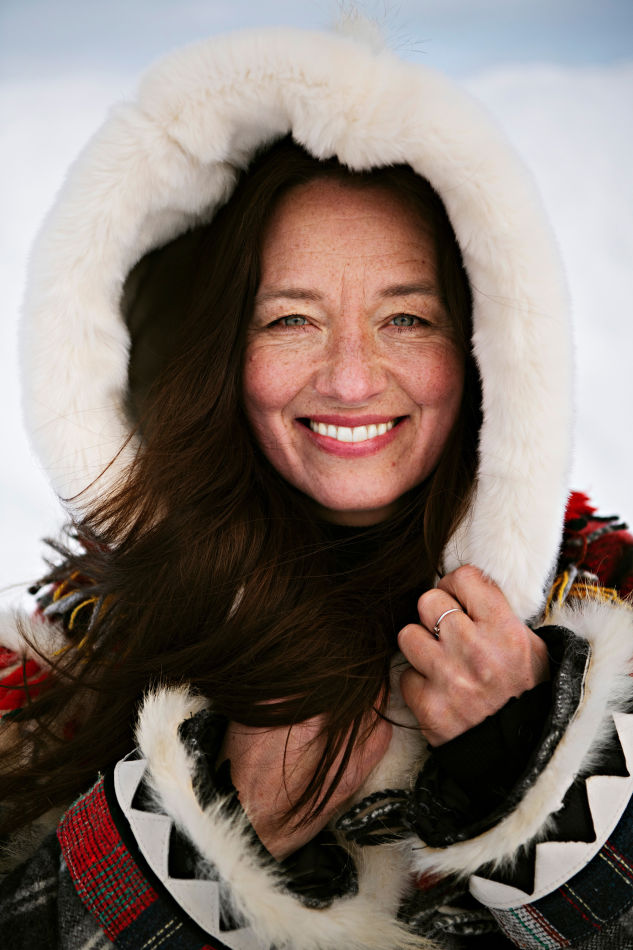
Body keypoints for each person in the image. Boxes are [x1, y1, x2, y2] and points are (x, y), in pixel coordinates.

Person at [0, 20, 632, 950]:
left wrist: (541, 772)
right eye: (290, 320)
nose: (349, 379)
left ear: (486, 351)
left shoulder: (608, 602)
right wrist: (208, 831)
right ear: (219, 355)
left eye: (405, 318)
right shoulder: (76, 651)